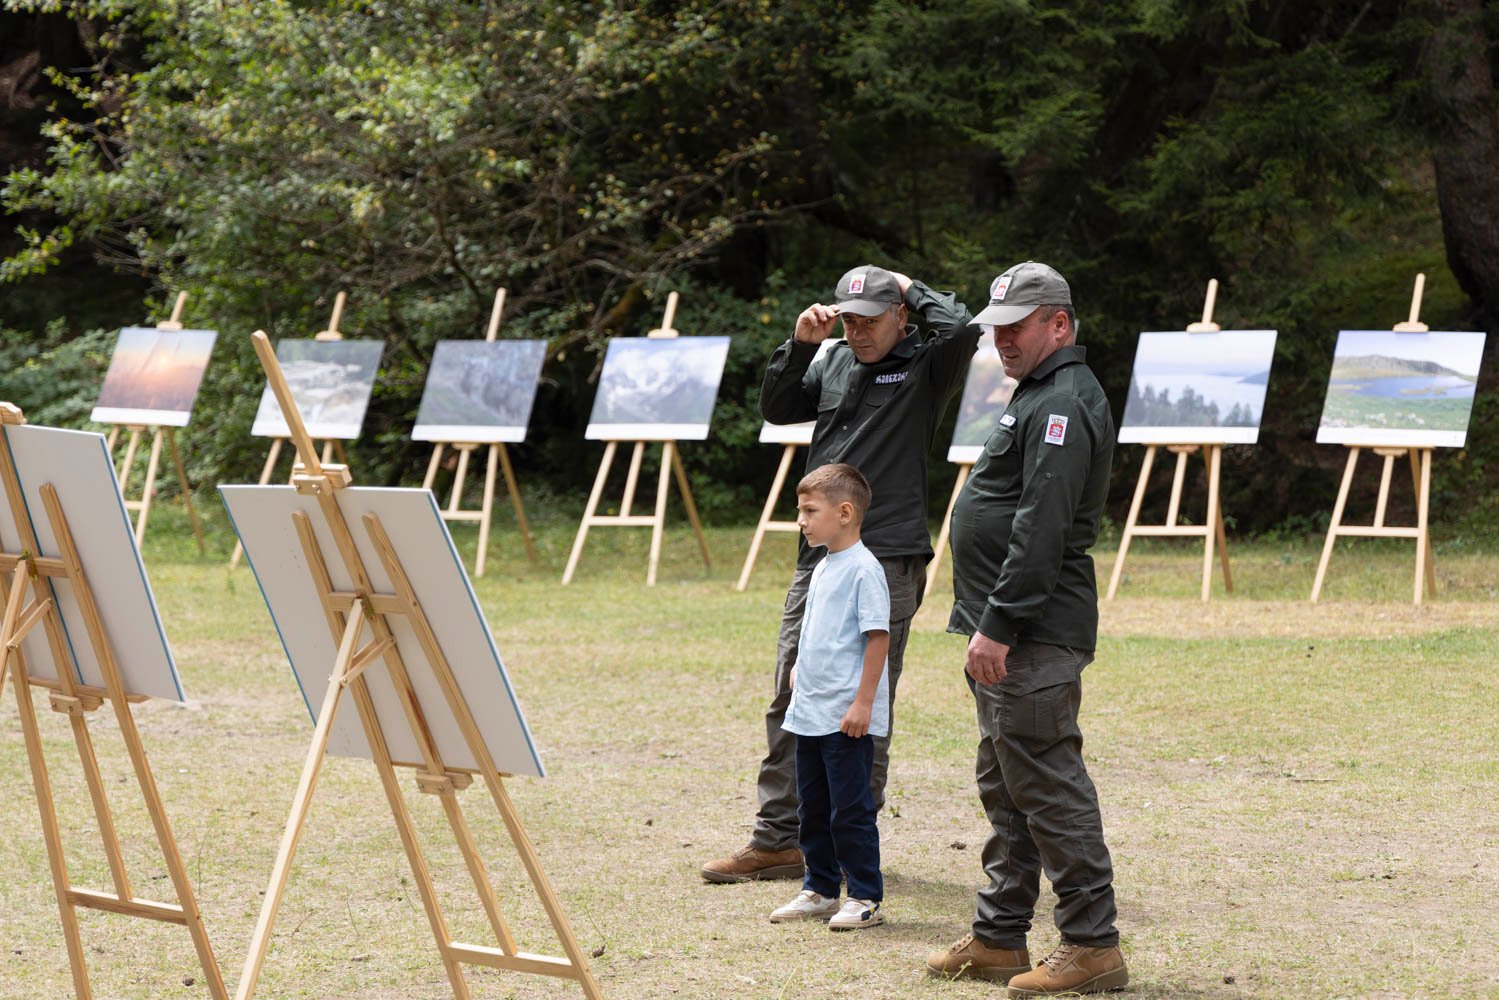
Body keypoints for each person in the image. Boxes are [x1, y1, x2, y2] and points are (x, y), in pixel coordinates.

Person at [701, 265, 979, 883]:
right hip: (819, 557)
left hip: (886, 557)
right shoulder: (831, 360)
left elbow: (962, 327)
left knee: (863, 701)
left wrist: (904, 283)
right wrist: (801, 346)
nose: (858, 332)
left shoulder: (927, 364)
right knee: (792, 691)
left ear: (900, 316)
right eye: (849, 320)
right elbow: (778, 407)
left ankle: (850, 848)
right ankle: (779, 839)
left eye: (871, 319)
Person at [924, 261, 1128, 996]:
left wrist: (1000, 625)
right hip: (1008, 631)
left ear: (1058, 324)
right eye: (996, 329)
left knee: (1046, 784)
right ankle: (999, 936)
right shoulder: (1040, 392)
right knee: (1008, 783)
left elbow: (1041, 527)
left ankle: (1092, 946)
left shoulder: (1063, 401)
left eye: (1016, 327)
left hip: (1030, 634)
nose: (1001, 340)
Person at [768, 463, 889, 931]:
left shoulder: (864, 569)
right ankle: (818, 888)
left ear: (844, 513)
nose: (801, 520)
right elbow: (819, 629)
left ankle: (864, 895)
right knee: (812, 807)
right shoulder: (822, 566)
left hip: (844, 717)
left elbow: (877, 638)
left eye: (809, 510)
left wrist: (862, 704)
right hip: (811, 712)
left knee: (850, 810)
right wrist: (800, 666)